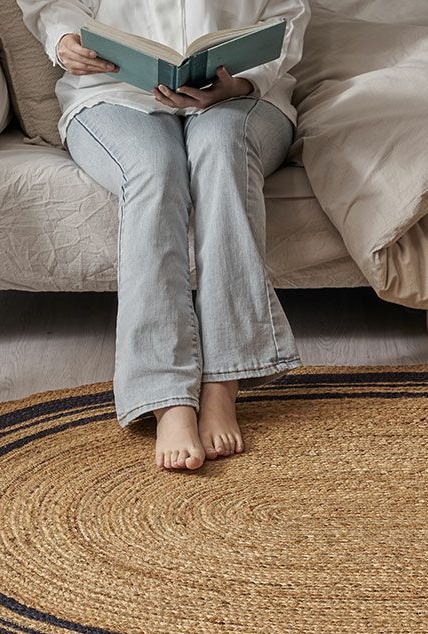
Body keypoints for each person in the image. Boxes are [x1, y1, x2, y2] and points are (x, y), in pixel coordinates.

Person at [19, 0, 311, 471]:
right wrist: (64, 39)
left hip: (242, 96)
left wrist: (241, 84)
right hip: (112, 95)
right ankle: (166, 396)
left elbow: (288, 14)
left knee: (221, 151)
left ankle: (223, 382)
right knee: (155, 169)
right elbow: (53, 5)